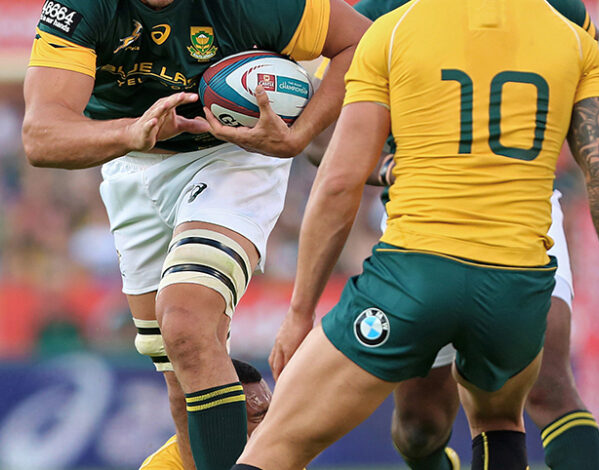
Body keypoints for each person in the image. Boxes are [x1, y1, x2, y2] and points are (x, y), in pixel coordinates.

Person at [230, 0, 599, 468]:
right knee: (472, 422)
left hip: (415, 271)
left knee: (279, 440)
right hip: (516, 280)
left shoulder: (389, 30)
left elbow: (337, 182)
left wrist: (300, 311)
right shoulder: (573, 37)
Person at [21, 1, 370, 469]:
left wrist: (301, 132)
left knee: (185, 322)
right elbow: (40, 136)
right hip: (132, 159)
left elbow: (362, 42)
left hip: (233, 153)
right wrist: (132, 132)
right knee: (179, 373)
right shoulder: (82, 7)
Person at [139, 359, 272, 470]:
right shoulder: (163, 466)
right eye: (258, 417)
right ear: (221, 423)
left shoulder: (274, 450)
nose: (270, 425)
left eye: (271, 413)